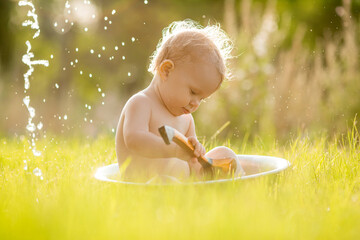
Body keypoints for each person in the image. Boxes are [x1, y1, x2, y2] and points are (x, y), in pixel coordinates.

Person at [115, 19, 245, 182]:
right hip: (146, 188)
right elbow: (134, 140)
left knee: (226, 154)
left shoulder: (186, 120)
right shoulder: (141, 103)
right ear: (166, 71)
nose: (196, 103)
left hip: (184, 186)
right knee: (165, 181)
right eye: (193, 92)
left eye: (202, 98)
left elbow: (192, 164)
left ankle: (241, 186)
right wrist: (172, 150)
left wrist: (198, 155)